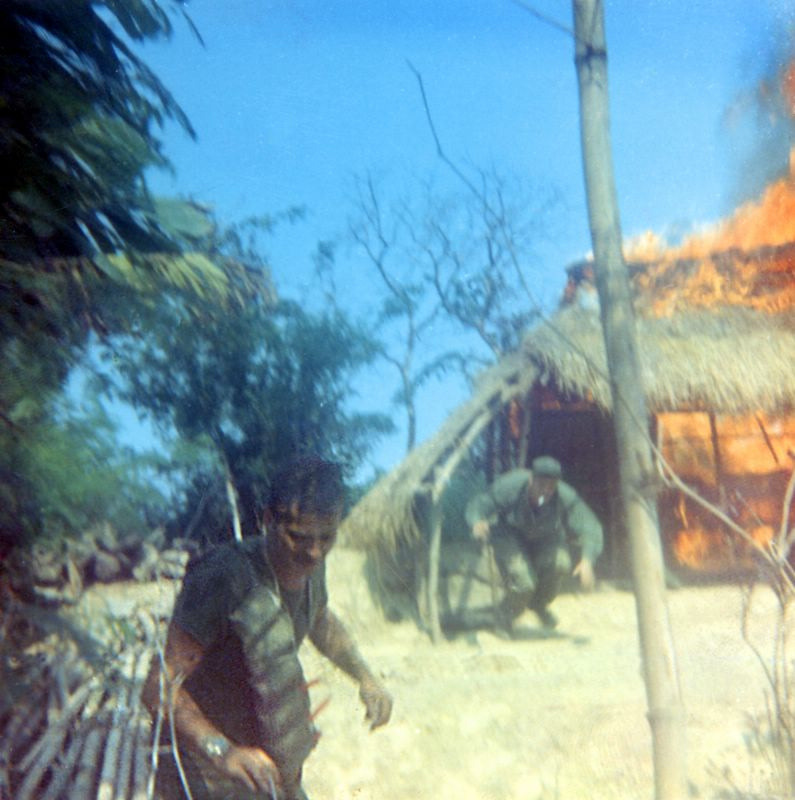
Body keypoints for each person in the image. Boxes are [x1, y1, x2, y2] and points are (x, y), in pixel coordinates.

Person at [142, 455, 393, 800]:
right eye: (299, 537)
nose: (315, 553)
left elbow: (319, 618)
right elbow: (159, 685)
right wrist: (221, 750)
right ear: (267, 519)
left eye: (327, 537)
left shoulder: (311, 566)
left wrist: (364, 676)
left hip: (270, 775)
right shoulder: (225, 578)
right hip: (208, 775)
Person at [465, 455, 603, 633]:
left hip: (546, 536)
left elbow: (589, 525)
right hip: (510, 533)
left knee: (561, 563)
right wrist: (477, 521)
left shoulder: (564, 495)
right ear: (531, 480)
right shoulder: (511, 485)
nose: (546, 490)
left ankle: (538, 606)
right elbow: (481, 504)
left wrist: (587, 560)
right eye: (541, 485)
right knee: (524, 582)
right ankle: (503, 617)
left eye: (551, 486)